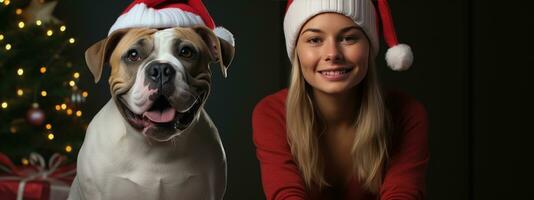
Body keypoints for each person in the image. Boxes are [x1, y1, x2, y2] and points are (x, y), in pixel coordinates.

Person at [252, 0, 428, 199]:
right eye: (315, 40)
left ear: (369, 46)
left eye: (348, 38)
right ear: (297, 51)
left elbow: (402, 194)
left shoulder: (407, 113)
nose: (332, 54)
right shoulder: (272, 113)